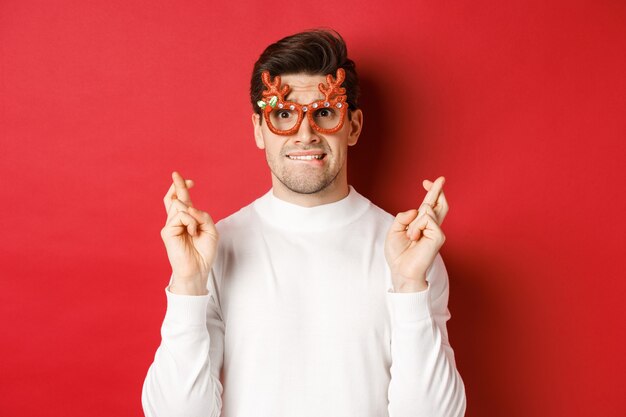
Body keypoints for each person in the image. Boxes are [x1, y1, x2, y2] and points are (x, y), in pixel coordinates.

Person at [142, 29, 466, 417]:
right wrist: (188, 287)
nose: (305, 133)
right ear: (259, 130)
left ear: (354, 126)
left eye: (325, 112)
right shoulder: (215, 250)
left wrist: (410, 286)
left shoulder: (410, 253)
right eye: (283, 114)